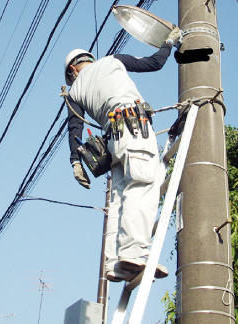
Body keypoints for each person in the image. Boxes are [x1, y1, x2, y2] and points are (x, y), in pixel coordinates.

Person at [64, 27, 181, 282]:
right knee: (143, 185)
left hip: (113, 142)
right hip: (134, 129)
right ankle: (134, 252)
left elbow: (74, 129)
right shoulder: (111, 61)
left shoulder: (73, 94)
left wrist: (76, 162)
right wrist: (169, 42)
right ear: (87, 61)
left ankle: (114, 263)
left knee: (118, 200)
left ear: (72, 70)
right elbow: (154, 63)